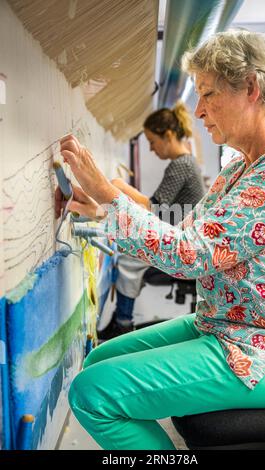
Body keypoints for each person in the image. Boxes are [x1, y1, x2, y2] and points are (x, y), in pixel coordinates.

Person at [55, 30, 265, 450]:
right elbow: (188, 232)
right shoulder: (243, 163)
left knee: (91, 393)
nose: (199, 111)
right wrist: (102, 207)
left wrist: (110, 196)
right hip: (226, 322)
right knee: (99, 359)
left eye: (207, 94)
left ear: (251, 89)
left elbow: (190, 256)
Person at [99, 102, 206, 340]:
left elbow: (154, 207)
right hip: (185, 236)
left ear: (167, 136)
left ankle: (123, 323)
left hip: (187, 246)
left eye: (152, 141)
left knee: (129, 257)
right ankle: (121, 319)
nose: (151, 148)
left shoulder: (181, 165)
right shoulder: (186, 164)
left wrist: (118, 188)